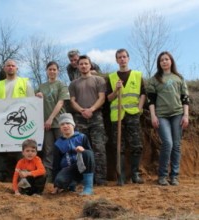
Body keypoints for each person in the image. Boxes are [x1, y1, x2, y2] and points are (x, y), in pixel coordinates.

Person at [146, 51, 189, 186]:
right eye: (161, 60)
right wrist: (153, 116)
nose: (164, 62)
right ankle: (162, 176)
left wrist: (186, 115)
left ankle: (174, 176)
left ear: (171, 61)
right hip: (161, 115)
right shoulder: (154, 79)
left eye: (166, 59)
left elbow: (185, 98)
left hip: (177, 114)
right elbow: (151, 100)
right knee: (168, 143)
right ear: (159, 63)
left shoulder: (179, 78)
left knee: (176, 145)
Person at [0, 59, 35, 182]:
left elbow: (32, 102)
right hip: (2, 121)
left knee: (20, 150)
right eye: (8, 66)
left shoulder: (25, 82)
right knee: (0, 149)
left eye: (13, 66)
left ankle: (23, 176)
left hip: (21, 123)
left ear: (17, 68)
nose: (10, 67)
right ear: (4, 68)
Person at [107, 48, 145, 185]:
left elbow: (143, 93)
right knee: (118, 146)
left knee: (136, 144)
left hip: (133, 114)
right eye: (119, 57)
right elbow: (109, 98)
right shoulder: (111, 77)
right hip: (117, 116)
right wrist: (116, 90)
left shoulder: (137, 75)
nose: (122, 59)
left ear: (128, 58)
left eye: (124, 57)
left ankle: (135, 174)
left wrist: (139, 108)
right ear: (116, 60)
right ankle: (121, 176)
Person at [69, 55, 107, 186]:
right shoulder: (73, 83)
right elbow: (72, 101)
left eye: (86, 63)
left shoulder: (99, 80)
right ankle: (82, 177)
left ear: (90, 65)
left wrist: (91, 109)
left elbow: (102, 98)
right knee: (81, 149)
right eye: (81, 64)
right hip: (80, 118)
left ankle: (100, 178)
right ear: (78, 66)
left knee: (99, 148)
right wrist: (82, 111)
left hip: (96, 117)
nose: (84, 66)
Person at [35, 61, 70, 182]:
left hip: (59, 123)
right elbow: (34, 102)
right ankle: (48, 178)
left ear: (58, 71)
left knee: (63, 149)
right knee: (48, 150)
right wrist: (37, 95)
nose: (52, 71)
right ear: (46, 71)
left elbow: (61, 103)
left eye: (54, 69)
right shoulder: (41, 86)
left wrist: (50, 118)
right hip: (46, 125)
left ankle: (65, 176)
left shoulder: (61, 85)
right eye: (50, 69)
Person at [51, 113, 95, 195]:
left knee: (88, 153)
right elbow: (56, 164)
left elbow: (90, 155)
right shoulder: (58, 143)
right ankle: (71, 184)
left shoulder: (82, 137)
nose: (65, 126)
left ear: (73, 125)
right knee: (59, 181)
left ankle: (88, 187)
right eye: (62, 124)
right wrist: (55, 185)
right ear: (60, 128)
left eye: (68, 123)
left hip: (82, 167)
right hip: (68, 169)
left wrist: (83, 150)